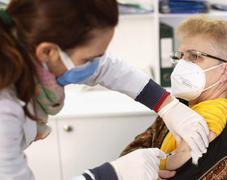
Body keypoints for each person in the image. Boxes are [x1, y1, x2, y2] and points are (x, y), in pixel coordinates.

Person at [0, 0, 211, 180]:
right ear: (48, 51)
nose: (98, 63)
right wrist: (110, 174)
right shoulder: (4, 109)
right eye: (88, 59)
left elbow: (107, 68)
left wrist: (167, 104)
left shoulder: (25, 44)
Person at [120, 16, 227, 179]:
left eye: (195, 56)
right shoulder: (182, 104)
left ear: (225, 71)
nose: (182, 65)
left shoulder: (218, 115)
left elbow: (181, 161)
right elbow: (137, 149)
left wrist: (149, 168)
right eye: (180, 56)